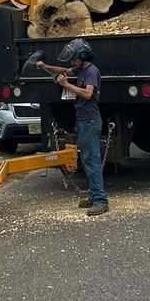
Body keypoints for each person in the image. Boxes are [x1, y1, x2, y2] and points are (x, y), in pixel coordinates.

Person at [36, 39, 109, 217]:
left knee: (92, 161)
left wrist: (66, 85)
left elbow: (88, 93)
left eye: (74, 59)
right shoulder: (81, 69)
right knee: (86, 161)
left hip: (90, 121)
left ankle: (101, 201)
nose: (72, 63)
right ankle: (94, 196)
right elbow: (64, 71)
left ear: (83, 56)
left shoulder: (91, 71)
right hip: (83, 120)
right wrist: (45, 66)